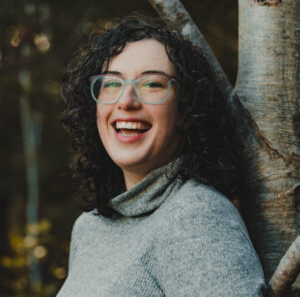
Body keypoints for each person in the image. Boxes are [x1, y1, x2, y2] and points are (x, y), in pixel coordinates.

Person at [57, 15, 266, 296]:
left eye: (152, 84)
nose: (126, 101)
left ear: (188, 108)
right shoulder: (89, 228)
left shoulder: (197, 217)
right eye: (112, 84)